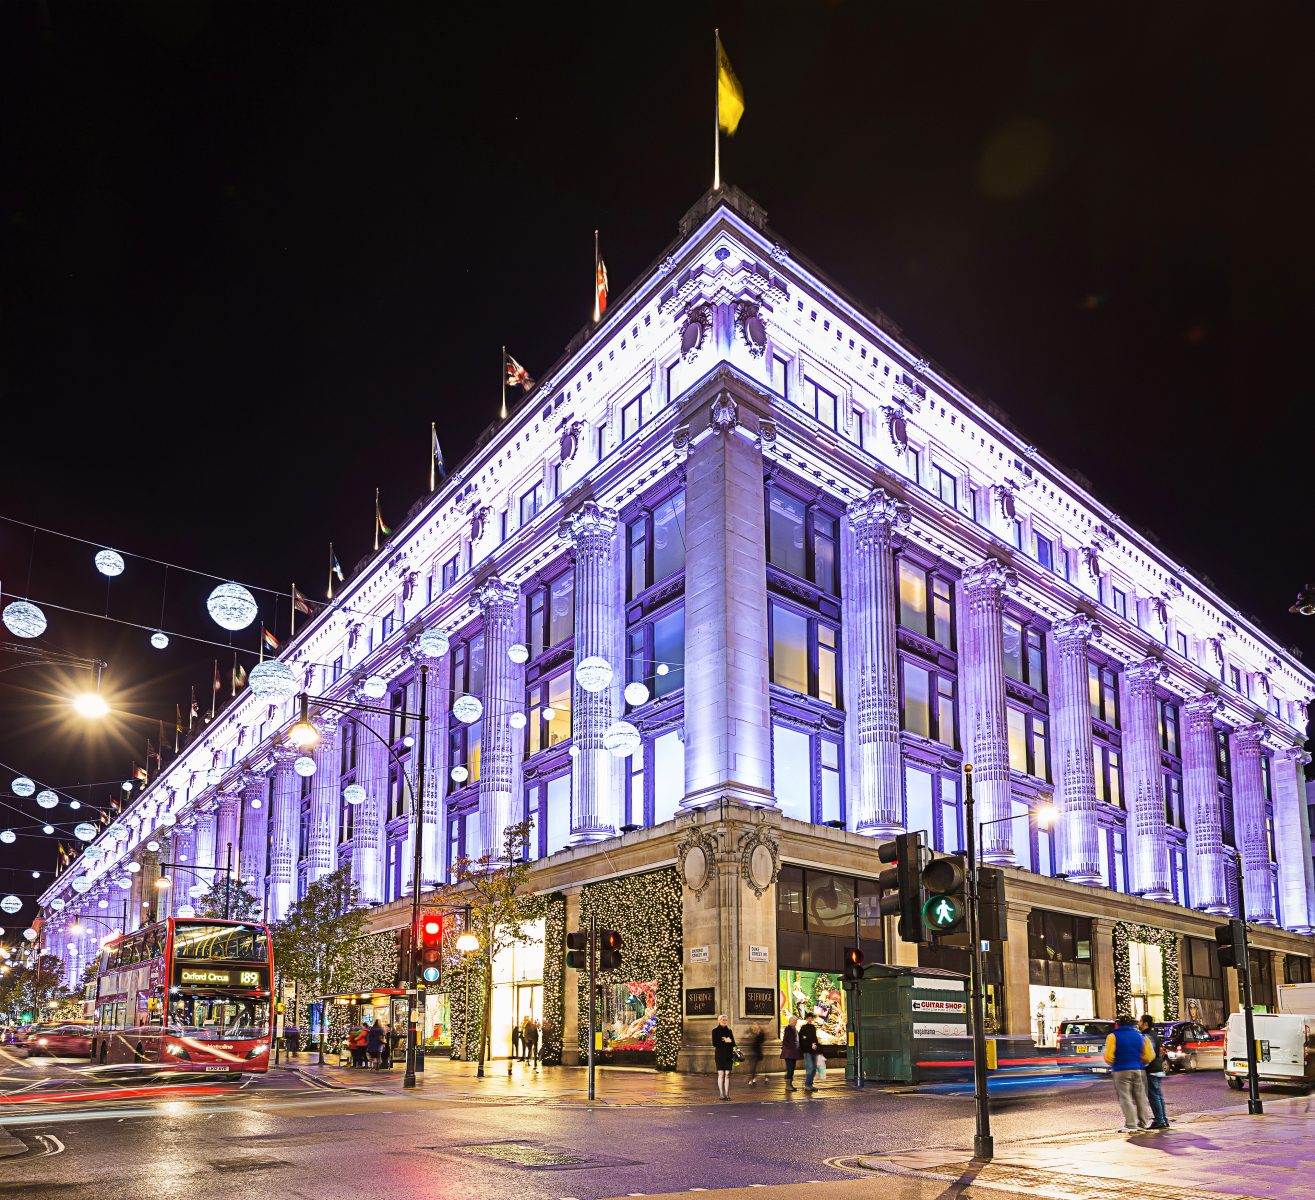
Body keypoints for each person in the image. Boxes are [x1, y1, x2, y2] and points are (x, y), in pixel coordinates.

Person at [1103, 1013, 1154, 1132]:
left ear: (1118, 1024)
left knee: (1125, 1097)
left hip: (1121, 1070)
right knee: (1140, 1097)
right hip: (1139, 1069)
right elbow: (1149, 1055)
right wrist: (1141, 1062)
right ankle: (1143, 1123)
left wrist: (1115, 1063)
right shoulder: (1141, 1036)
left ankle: (1130, 1125)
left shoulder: (1112, 1036)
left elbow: (1109, 1056)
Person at [1139, 1014, 1170, 1130]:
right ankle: (1163, 1119)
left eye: (1140, 1021)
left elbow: (1149, 1054)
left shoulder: (1147, 1036)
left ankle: (1159, 1120)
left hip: (1152, 1069)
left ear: (1145, 1023)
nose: (1139, 1024)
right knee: (1158, 1095)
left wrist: (1143, 1065)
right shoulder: (1154, 1034)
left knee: (1153, 1096)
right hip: (1157, 1067)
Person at [711, 1014, 737, 1100]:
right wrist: (725, 1040)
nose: (724, 1021)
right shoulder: (715, 1031)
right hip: (720, 1055)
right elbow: (714, 1043)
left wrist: (731, 1042)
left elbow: (733, 1043)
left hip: (728, 1055)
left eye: (726, 1020)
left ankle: (727, 1094)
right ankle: (721, 1094)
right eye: (723, 1020)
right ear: (719, 1020)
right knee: (721, 1074)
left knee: (727, 1074)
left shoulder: (729, 1031)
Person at [798, 1015, 821, 1092]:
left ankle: (810, 1084)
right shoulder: (803, 1028)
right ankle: (808, 1085)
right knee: (810, 1068)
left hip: (814, 1050)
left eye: (811, 1018)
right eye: (809, 1018)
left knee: (814, 1068)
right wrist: (811, 1045)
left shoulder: (813, 1027)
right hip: (807, 1051)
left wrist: (817, 1047)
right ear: (806, 1019)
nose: (810, 1019)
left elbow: (814, 1038)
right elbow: (802, 1039)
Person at [780, 1016, 801, 1091]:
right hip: (789, 1053)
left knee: (791, 1068)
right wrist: (792, 1047)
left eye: (796, 1021)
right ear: (791, 1021)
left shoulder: (794, 1029)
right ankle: (788, 1085)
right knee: (790, 1068)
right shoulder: (788, 1029)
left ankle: (790, 1084)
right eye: (795, 1021)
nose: (796, 1022)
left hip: (793, 1053)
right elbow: (786, 1040)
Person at [746, 1022, 766, 1086]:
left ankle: (753, 1079)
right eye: (753, 1025)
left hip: (758, 1052)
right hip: (753, 1052)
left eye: (755, 1025)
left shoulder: (760, 1033)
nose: (754, 1027)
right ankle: (753, 1079)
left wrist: (757, 1034)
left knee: (757, 1067)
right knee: (754, 1067)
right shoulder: (753, 1033)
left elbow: (762, 1040)